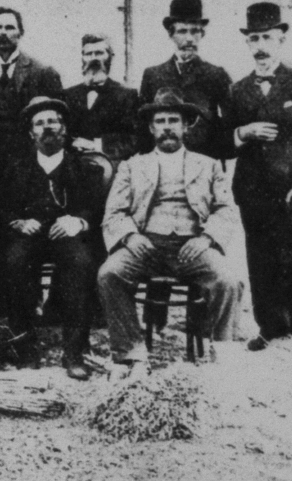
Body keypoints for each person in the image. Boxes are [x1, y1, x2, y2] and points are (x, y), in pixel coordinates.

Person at [99, 88, 243, 377]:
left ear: (186, 125)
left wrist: (206, 239)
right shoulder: (132, 166)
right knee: (109, 274)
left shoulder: (209, 165)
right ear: (151, 128)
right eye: (161, 121)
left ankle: (224, 354)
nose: (167, 127)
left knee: (229, 281)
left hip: (194, 247)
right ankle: (131, 355)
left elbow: (226, 210)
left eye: (173, 120)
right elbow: (113, 213)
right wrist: (130, 236)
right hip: (146, 246)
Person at [227, 3, 292, 351]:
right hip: (253, 191)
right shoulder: (237, 90)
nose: (260, 45)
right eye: (254, 38)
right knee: (260, 259)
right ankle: (268, 327)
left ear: (281, 39)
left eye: (267, 37)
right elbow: (226, 139)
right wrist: (244, 131)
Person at [0, 96, 101, 379]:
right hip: (31, 235)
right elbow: (1, 205)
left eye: (53, 121)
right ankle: (25, 347)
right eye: (39, 123)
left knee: (81, 263)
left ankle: (75, 351)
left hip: (66, 235)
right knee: (15, 262)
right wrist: (19, 222)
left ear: (64, 129)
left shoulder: (83, 166)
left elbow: (95, 205)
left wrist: (77, 220)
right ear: (31, 133)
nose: (47, 128)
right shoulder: (15, 166)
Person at [0, 6, 63, 316]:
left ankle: (30, 300)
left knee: (29, 233)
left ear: (20, 32)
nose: (3, 33)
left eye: (10, 27)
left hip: (30, 169)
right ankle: (0, 300)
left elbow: (55, 126)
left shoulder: (41, 71)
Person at [138, 0, 232, 160]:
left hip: (204, 162)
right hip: (162, 163)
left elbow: (228, 126)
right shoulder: (152, 75)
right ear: (171, 34)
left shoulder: (217, 75)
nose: (189, 38)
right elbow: (143, 128)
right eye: (182, 31)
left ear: (202, 34)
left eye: (195, 31)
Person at [61, 33, 140, 164]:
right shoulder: (68, 95)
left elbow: (134, 139)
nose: (93, 59)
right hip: (73, 170)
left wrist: (97, 145)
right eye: (88, 54)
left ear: (110, 57)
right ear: (82, 58)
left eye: (99, 53)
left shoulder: (127, 95)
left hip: (112, 168)